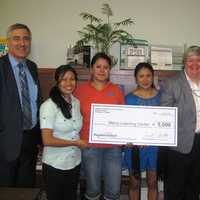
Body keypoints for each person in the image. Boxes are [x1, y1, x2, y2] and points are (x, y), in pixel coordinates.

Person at [74, 52, 124, 200]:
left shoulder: (117, 91)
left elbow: (123, 118)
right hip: (89, 146)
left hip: (113, 147)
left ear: (110, 70)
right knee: (93, 189)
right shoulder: (79, 91)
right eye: (98, 67)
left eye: (106, 67)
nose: (102, 70)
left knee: (114, 191)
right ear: (91, 69)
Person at [0, 23, 42, 187]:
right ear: (8, 42)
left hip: (30, 141)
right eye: (16, 38)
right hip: (5, 143)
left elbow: (36, 101)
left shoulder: (32, 67)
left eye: (26, 39)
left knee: (26, 188)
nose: (22, 43)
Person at [40, 65, 87, 200]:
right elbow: (47, 140)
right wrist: (75, 143)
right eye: (64, 79)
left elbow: (76, 129)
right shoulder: (48, 106)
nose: (68, 83)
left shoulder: (77, 102)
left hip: (74, 162)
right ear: (57, 82)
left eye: (72, 79)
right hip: (55, 165)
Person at [160, 46, 200, 200]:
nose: (195, 63)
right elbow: (164, 114)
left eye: (198, 60)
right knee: (175, 189)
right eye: (191, 60)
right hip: (179, 145)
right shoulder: (172, 82)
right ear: (184, 62)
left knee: (195, 187)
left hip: (199, 143)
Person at [123, 62, 160, 200]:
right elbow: (124, 125)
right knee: (134, 184)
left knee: (152, 183)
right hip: (134, 149)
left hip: (155, 148)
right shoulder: (128, 98)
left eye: (148, 76)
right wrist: (128, 140)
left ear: (153, 77)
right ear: (136, 79)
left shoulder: (162, 97)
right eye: (141, 76)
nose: (145, 80)